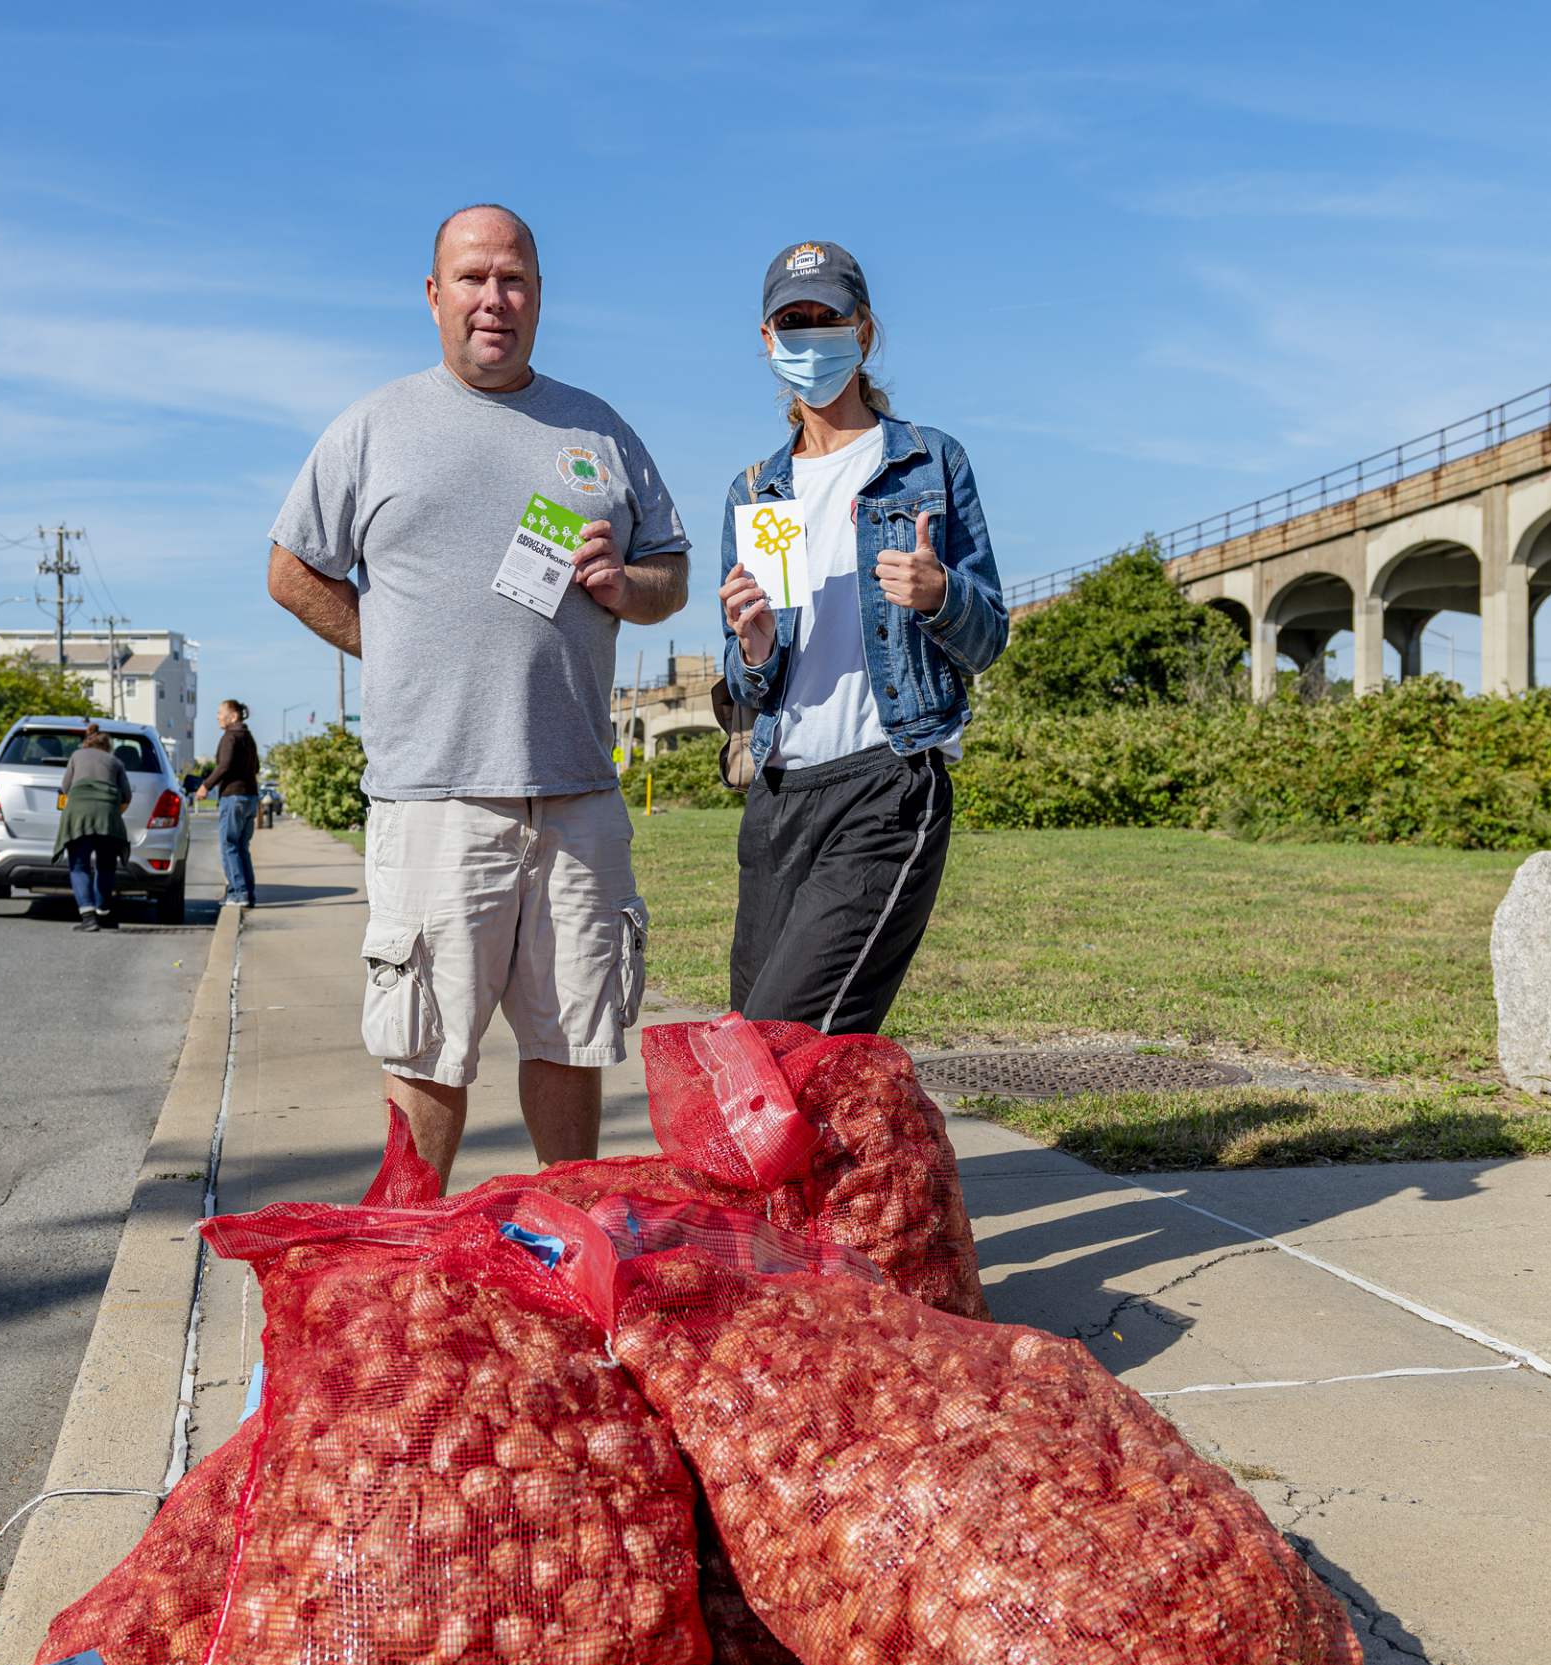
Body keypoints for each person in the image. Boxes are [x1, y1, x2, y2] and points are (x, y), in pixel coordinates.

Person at [264, 203, 689, 1190]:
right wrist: (391, 645)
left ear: (538, 296)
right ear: (433, 294)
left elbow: (668, 572)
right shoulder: (374, 428)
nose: (492, 300)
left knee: (574, 1035)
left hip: (578, 794)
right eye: (472, 278)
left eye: (513, 279)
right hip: (435, 798)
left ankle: (561, 1244)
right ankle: (412, 1252)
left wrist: (630, 586)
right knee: (426, 1047)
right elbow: (291, 570)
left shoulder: (597, 429)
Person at [716, 240, 1007, 1034]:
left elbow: (989, 638)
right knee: (755, 1051)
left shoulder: (928, 464)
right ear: (769, 340)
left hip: (888, 782)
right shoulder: (756, 491)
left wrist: (942, 594)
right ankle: (862, 1163)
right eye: (793, 322)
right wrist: (753, 646)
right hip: (778, 797)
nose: (812, 338)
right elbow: (750, 686)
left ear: (865, 331)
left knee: (791, 1039)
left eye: (828, 319)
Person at [54, 724, 131, 933]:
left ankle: (88, 918)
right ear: (107, 747)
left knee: (79, 866)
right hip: (107, 817)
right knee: (106, 866)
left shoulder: (76, 756)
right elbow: (126, 796)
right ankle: (103, 914)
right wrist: (112, 815)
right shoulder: (116, 762)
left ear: (87, 743)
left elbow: (65, 788)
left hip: (78, 815)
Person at [200, 698, 262, 908]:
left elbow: (224, 766)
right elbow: (257, 767)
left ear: (233, 716)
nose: (217, 717)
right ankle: (248, 893)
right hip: (250, 796)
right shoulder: (248, 737)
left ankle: (238, 893)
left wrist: (205, 786)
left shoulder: (230, 736)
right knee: (242, 847)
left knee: (229, 846)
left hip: (233, 796)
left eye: (220, 713)